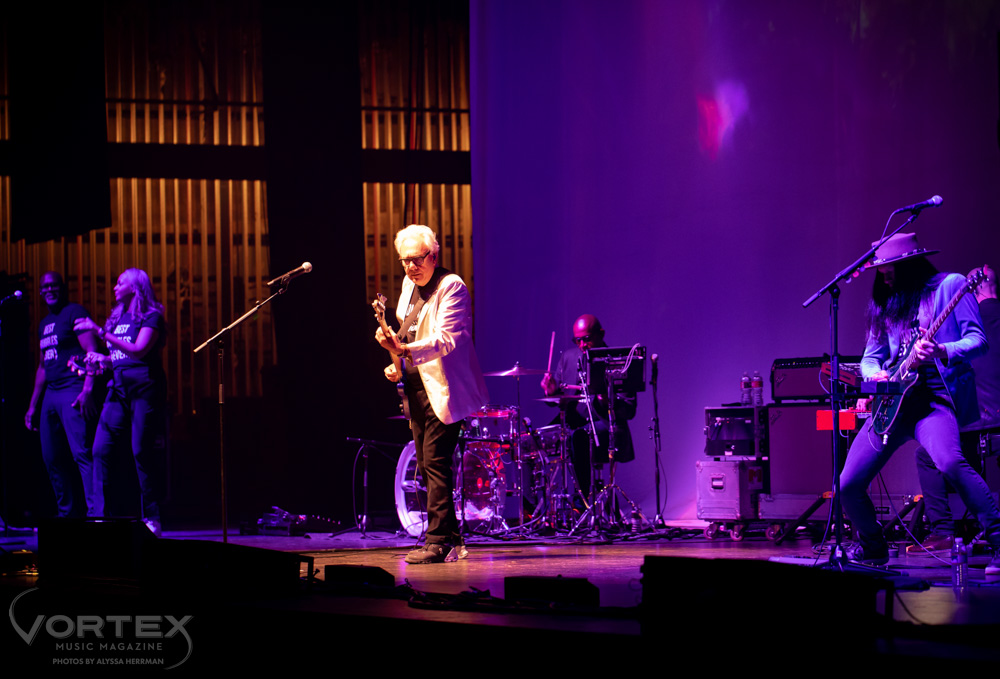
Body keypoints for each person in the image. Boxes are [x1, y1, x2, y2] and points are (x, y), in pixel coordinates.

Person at [840, 234, 1000, 569]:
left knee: (950, 462)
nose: (884, 275)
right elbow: (871, 359)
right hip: (892, 405)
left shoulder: (952, 287)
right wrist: (876, 375)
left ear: (910, 264)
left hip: (932, 399)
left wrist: (943, 350)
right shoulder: (887, 303)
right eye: (881, 269)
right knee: (848, 484)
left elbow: (979, 341)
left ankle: (998, 540)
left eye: (890, 268)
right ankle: (873, 547)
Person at [375, 225, 489, 564]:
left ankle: (438, 542)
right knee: (425, 465)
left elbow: (448, 339)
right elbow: (405, 330)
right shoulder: (409, 285)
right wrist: (397, 360)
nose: (410, 267)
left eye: (417, 259)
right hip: (414, 387)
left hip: (443, 390)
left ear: (433, 256)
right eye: (404, 260)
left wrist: (405, 350)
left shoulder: (451, 287)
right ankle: (453, 540)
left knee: (435, 462)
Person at [909, 264, 1000, 562]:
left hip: (975, 413)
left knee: (930, 455)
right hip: (991, 414)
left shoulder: (967, 314)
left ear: (972, 290)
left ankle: (943, 530)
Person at [74, 268, 168, 536]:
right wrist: (102, 360)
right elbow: (118, 356)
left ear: (136, 287)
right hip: (118, 390)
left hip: (144, 390)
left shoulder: (151, 316)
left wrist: (99, 332)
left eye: (120, 282)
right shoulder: (117, 318)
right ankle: (99, 518)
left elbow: (138, 350)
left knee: (140, 451)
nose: (115, 287)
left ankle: (152, 517)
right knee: (99, 450)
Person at [24, 271, 102, 517]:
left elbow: (93, 350)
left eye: (54, 285)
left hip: (72, 388)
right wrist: (32, 406)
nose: (49, 290)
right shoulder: (43, 324)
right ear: (40, 291)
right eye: (44, 287)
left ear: (62, 287)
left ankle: (95, 514)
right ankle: (66, 513)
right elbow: (42, 367)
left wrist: (88, 389)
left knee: (81, 453)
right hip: (51, 393)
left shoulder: (74, 312)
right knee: (50, 457)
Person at [540, 314, 636, 501]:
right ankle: (534, 509)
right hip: (572, 422)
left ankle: (583, 502)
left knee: (580, 438)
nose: (582, 345)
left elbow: (629, 410)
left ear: (601, 334)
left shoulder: (619, 361)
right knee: (533, 440)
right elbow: (559, 398)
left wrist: (606, 401)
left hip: (605, 425)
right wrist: (551, 392)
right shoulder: (568, 358)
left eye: (586, 339)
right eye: (577, 340)